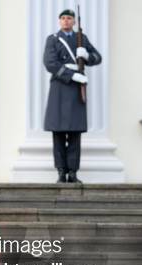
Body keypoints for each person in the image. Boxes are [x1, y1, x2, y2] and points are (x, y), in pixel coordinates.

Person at [44, 9, 102, 183]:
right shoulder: (53, 39)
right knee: (59, 133)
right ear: (59, 21)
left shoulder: (81, 39)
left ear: (74, 22)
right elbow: (50, 63)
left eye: (69, 18)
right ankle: (61, 172)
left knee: (75, 134)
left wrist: (87, 55)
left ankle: (73, 173)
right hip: (60, 88)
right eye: (63, 18)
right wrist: (71, 75)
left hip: (77, 89)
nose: (66, 21)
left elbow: (97, 57)